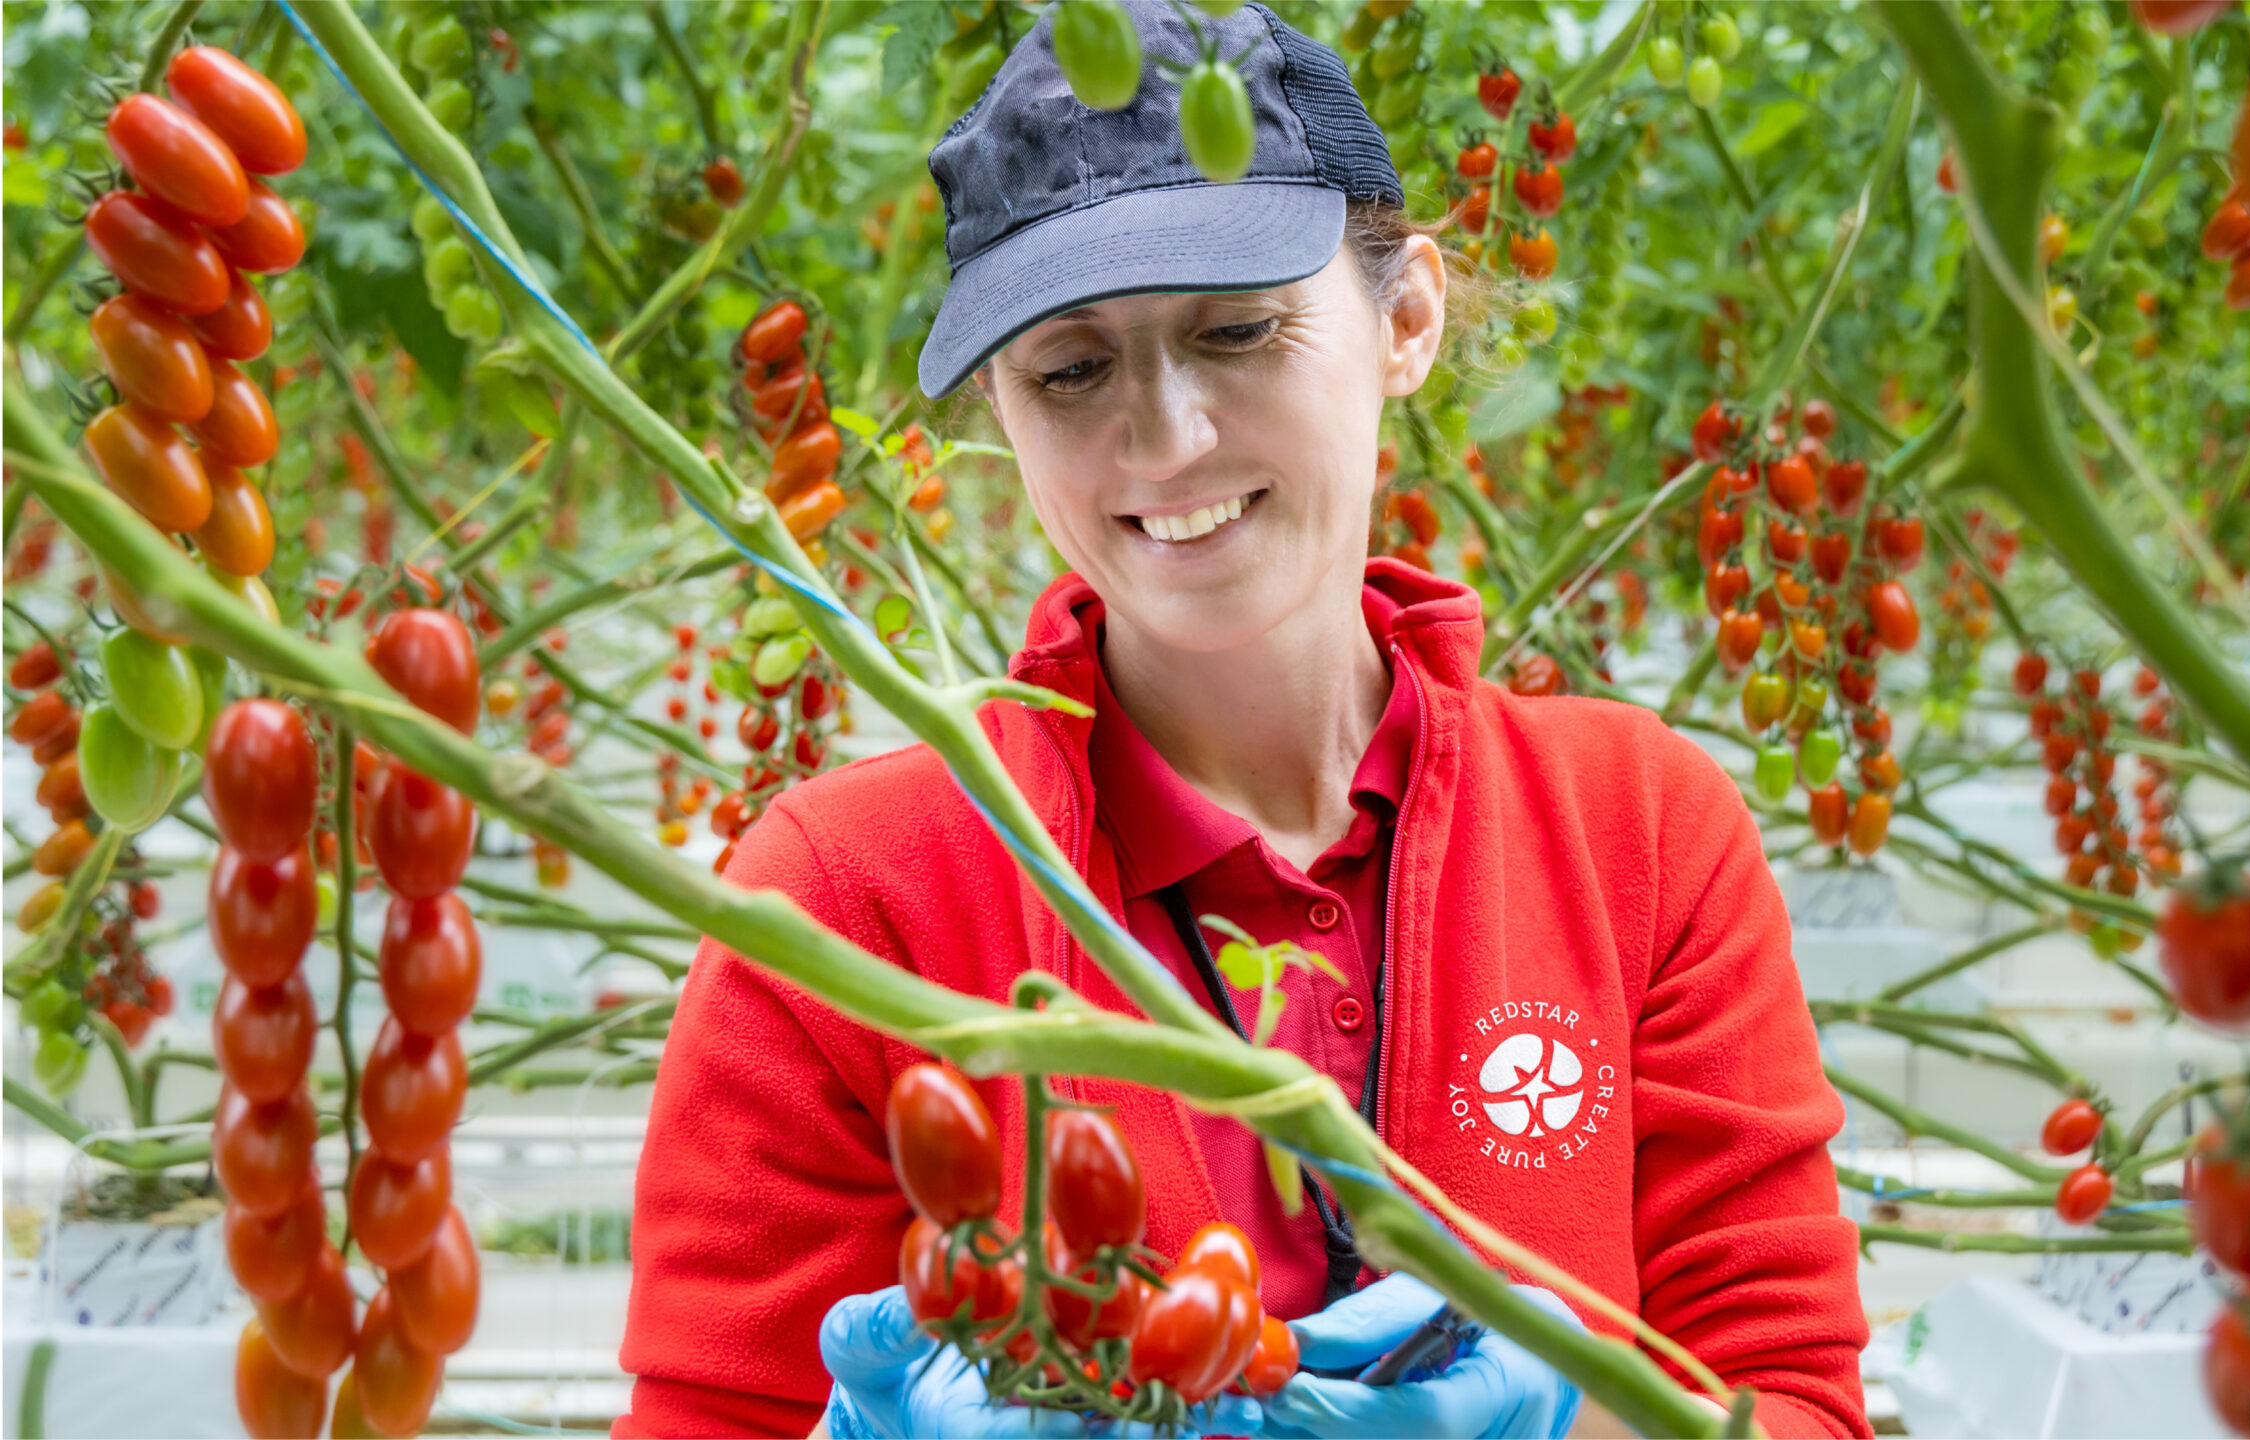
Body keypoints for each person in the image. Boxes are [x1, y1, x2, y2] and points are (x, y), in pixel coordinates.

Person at [616, 4, 1868, 1436]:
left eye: (1237, 330)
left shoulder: (1638, 833)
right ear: (1003, 417)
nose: (1167, 439)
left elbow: (1797, 1396)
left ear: (1406, 321)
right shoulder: (846, 901)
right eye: (1071, 371)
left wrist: (1576, 1429)